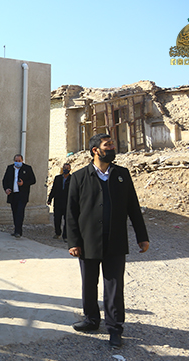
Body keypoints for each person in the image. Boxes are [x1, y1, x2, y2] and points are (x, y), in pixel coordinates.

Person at [66, 133, 149, 348]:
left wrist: (142, 237)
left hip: (115, 241)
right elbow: (71, 212)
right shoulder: (79, 177)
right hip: (88, 242)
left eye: (112, 144)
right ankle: (91, 320)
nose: (112, 147)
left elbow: (133, 207)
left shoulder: (122, 174)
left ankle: (115, 328)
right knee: (89, 284)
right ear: (95, 150)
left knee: (114, 286)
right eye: (107, 145)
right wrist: (73, 242)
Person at [2, 154, 36, 238]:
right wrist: (6, 189)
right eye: (16, 161)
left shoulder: (27, 168)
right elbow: (5, 180)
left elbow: (33, 180)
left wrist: (23, 183)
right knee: (14, 212)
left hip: (22, 195)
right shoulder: (10, 168)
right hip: (13, 194)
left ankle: (18, 231)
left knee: (20, 212)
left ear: (22, 161)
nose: (17, 162)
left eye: (19, 161)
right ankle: (16, 230)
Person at [47, 163, 72, 240]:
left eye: (67, 168)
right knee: (57, 219)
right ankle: (57, 233)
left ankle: (65, 236)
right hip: (58, 202)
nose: (66, 169)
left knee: (67, 220)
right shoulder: (57, 178)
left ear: (70, 169)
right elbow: (54, 189)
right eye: (64, 168)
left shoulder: (72, 179)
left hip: (67, 202)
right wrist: (50, 199)